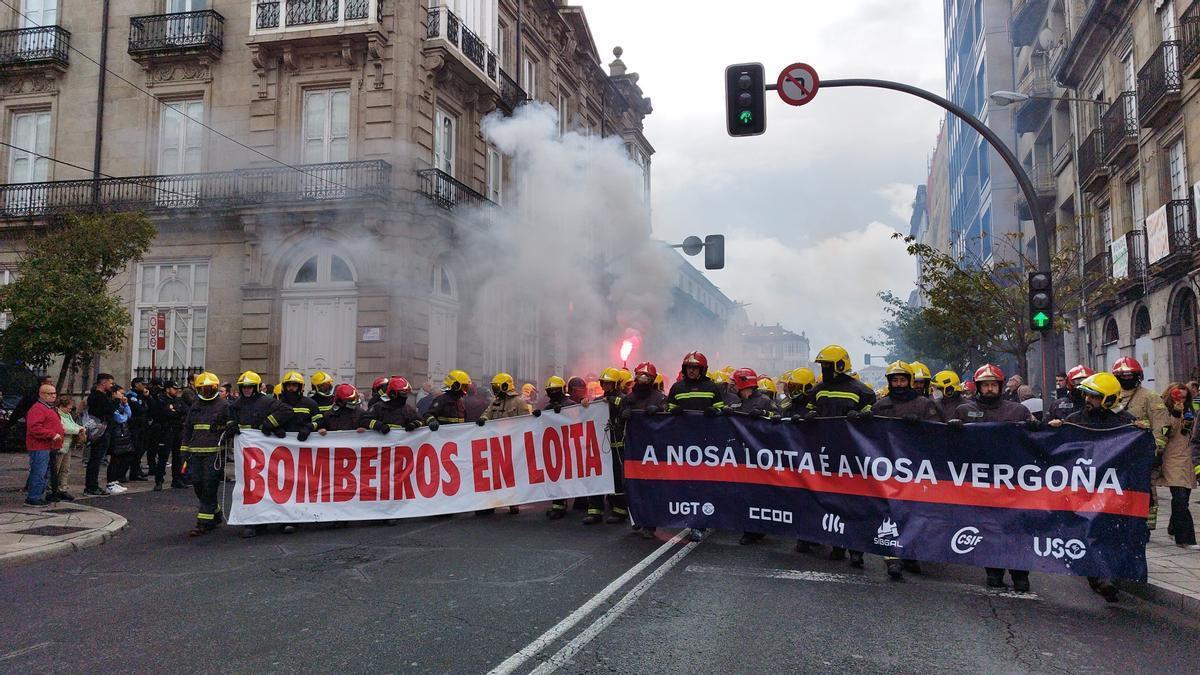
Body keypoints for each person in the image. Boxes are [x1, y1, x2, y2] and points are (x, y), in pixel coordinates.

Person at [951, 363, 1037, 592]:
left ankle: (1020, 573)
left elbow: (1035, 441)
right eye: (985, 385)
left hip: (1013, 482)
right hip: (981, 482)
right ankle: (994, 571)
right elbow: (951, 447)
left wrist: (1037, 428)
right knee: (988, 528)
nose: (989, 389)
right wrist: (953, 430)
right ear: (978, 387)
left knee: (1016, 527)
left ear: (1000, 386)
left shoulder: (1017, 411)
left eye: (993, 385)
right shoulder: (964, 410)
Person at [1048, 372, 1134, 602]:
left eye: (1094, 397)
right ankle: (1098, 577)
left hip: (1113, 489)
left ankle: (1108, 575)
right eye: (1086, 395)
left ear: (1108, 399)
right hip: (1083, 489)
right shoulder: (1075, 419)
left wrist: (1143, 435)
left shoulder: (1127, 422)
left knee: (1112, 532)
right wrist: (1054, 430)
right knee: (1088, 531)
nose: (1088, 400)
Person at [797, 345, 876, 565]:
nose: (824, 369)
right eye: (822, 365)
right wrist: (809, 415)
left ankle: (856, 550)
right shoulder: (818, 389)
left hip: (851, 457)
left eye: (827, 365)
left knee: (851, 504)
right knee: (827, 501)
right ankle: (836, 545)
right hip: (824, 455)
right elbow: (808, 409)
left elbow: (874, 419)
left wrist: (860, 416)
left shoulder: (862, 390)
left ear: (840, 366)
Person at [871, 361, 939, 580]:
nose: (899, 384)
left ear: (909, 381)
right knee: (890, 512)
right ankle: (892, 558)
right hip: (888, 468)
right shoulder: (881, 405)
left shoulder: (924, 405)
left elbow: (939, 432)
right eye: (895, 380)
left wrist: (921, 425)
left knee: (913, 512)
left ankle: (910, 554)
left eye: (902, 380)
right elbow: (869, 434)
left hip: (916, 468)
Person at [666, 352, 726, 541]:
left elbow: (721, 410)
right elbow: (668, 409)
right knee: (685, 484)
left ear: (702, 369)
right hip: (683, 443)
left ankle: (700, 523)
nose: (691, 370)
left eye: (695, 368)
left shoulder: (712, 387)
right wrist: (673, 411)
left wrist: (714, 412)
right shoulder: (677, 388)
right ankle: (686, 518)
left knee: (703, 484)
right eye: (688, 367)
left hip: (706, 444)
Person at [1112, 356, 1168, 531]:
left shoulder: (1150, 397)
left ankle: (1145, 525)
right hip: (1117, 454)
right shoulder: (1112, 397)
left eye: (1131, 375)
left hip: (1142, 454)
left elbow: (1162, 426)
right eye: (1123, 375)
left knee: (1146, 489)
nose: (1127, 378)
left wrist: (1156, 450)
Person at [230, 371, 287, 538]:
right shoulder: (236, 404)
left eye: (249, 387)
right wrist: (230, 425)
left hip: (266, 451)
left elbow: (286, 411)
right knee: (251, 487)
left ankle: (276, 517)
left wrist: (271, 423)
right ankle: (253, 522)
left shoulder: (266, 402)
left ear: (255, 387)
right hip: (247, 454)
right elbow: (228, 417)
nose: (246, 390)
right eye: (244, 387)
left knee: (271, 484)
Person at [729, 367, 780, 546]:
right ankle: (750, 529)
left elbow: (780, 419)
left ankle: (757, 529)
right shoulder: (736, 403)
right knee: (746, 493)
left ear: (743, 382)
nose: (731, 386)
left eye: (734, 382)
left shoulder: (764, 401)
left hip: (761, 456)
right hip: (742, 455)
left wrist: (765, 415)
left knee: (760, 493)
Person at [180, 372, 231, 536]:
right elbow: (188, 428)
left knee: (209, 486)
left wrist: (226, 429)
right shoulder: (195, 405)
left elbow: (231, 426)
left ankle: (203, 523)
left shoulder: (224, 405)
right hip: (195, 453)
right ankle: (215, 512)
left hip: (214, 455)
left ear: (215, 387)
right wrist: (184, 449)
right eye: (203, 389)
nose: (207, 391)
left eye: (210, 388)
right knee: (198, 485)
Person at [620, 363, 668, 537]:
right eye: (640, 375)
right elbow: (619, 423)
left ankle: (650, 524)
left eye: (646, 376)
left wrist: (660, 411)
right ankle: (637, 518)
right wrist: (623, 415)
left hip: (653, 449)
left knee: (651, 485)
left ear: (652, 379)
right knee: (632, 484)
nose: (642, 379)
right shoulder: (628, 398)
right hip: (633, 448)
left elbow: (669, 421)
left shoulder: (660, 398)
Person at [476, 373, 531, 515]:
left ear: (505, 386)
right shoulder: (495, 401)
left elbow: (526, 422)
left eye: (496, 387)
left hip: (513, 444)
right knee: (494, 474)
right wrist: (482, 419)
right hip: (496, 444)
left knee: (511, 475)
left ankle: (513, 502)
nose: (495, 390)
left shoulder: (519, 402)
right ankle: (491, 503)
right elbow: (487, 413)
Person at [1156, 383, 1198, 550]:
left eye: (1184, 396)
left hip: (1189, 459)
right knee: (1180, 498)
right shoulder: (1163, 410)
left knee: (1184, 498)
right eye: (1177, 395)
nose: (1181, 399)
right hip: (1173, 458)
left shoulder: (1190, 409)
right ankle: (1185, 538)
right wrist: (1174, 415)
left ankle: (1173, 527)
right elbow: (1165, 433)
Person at [585, 368, 629, 525]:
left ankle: (619, 511)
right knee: (597, 476)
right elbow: (588, 411)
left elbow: (624, 406)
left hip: (617, 445)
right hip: (599, 446)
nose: (605, 386)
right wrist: (585, 405)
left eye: (609, 383)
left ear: (616, 384)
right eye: (604, 383)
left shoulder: (623, 399)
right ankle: (595, 510)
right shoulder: (599, 400)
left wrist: (610, 400)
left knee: (618, 478)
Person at [541, 376, 576, 520]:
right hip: (554, 447)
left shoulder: (571, 404)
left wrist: (564, 412)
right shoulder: (548, 407)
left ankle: (581, 500)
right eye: (550, 390)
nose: (553, 393)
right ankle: (558, 504)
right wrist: (538, 416)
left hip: (569, 446)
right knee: (556, 476)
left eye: (555, 390)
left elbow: (576, 422)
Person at [23, 381, 63, 506]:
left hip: (48, 446)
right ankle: (33, 497)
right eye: (50, 394)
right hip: (39, 446)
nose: (53, 396)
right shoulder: (38, 408)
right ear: (41, 394)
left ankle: (38, 495)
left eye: (54, 393)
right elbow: (34, 428)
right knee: (39, 472)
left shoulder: (49, 408)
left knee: (45, 473)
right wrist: (52, 434)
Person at [149, 381, 188, 491]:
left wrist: (176, 412)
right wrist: (175, 413)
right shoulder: (161, 400)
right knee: (163, 457)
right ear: (167, 389)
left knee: (178, 457)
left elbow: (185, 411)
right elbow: (165, 413)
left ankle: (176, 480)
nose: (177, 391)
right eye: (174, 389)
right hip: (165, 431)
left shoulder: (178, 400)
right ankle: (159, 481)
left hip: (177, 430)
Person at [83, 374, 117, 496]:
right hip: (99, 430)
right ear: (104, 383)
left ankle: (93, 485)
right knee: (95, 460)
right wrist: (116, 400)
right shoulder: (98, 396)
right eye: (110, 383)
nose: (112, 386)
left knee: (97, 459)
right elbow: (110, 410)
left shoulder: (102, 396)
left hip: (103, 429)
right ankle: (91, 486)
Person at [50, 394, 84, 502]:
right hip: (60, 445)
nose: (70, 409)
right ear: (62, 406)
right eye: (69, 406)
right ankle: (52, 489)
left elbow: (73, 425)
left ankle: (62, 489)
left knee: (65, 469)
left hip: (68, 445)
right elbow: (63, 428)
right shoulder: (57, 415)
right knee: (56, 469)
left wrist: (81, 428)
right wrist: (78, 430)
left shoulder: (67, 415)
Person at [105, 386, 133, 495]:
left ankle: (115, 481)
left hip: (122, 433)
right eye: (121, 393)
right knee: (114, 459)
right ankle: (110, 483)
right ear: (114, 393)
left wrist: (125, 404)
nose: (123, 396)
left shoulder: (120, 403)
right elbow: (119, 418)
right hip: (114, 433)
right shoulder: (112, 404)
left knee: (121, 458)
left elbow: (129, 414)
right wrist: (124, 415)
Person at [126, 378, 151, 481]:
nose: (144, 386)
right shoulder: (132, 395)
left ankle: (137, 469)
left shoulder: (142, 395)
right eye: (142, 384)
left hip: (143, 425)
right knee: (136, 449)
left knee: (142, 448)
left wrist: (147, 398)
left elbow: (150, 407)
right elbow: (140, 409)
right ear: (136, 384)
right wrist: (144, 405)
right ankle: (134, 472)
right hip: (135, 425)